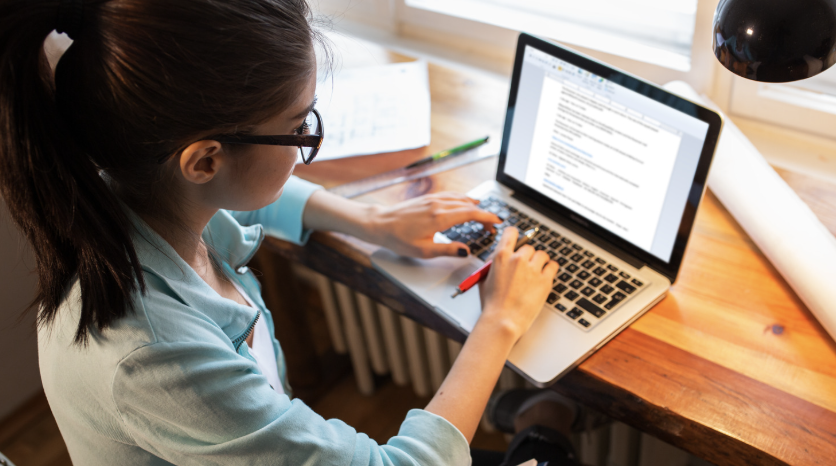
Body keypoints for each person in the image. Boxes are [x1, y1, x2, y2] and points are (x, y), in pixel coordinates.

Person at [0, 0, 578, 464]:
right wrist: (498, 322)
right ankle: (540, 428)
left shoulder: (128, 189)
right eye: (300, 127)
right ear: (204, 160)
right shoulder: (154, 358)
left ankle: (537, 423)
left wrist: (373, 221)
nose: (308, 142)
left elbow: (240, 203)